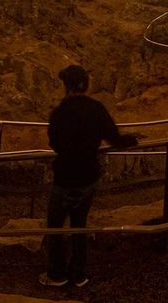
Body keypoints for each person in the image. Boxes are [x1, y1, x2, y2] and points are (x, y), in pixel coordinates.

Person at [40, 64, 139, 288]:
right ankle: (78, 274)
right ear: (85, 84)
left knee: (54, 227)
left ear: (65, 86)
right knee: (80, 224)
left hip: (65, 176)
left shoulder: (60, 112)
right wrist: (131, 139)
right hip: (88, 176)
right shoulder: (96, 109)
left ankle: (56, 274)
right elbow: (114, 138)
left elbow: (53, 143)